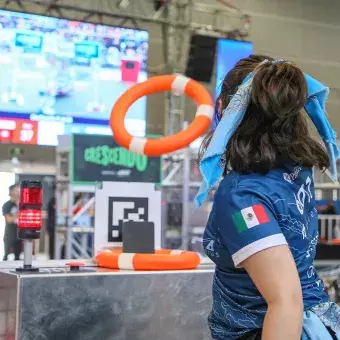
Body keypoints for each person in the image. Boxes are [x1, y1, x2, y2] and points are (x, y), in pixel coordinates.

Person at [196, 55, 340, 339]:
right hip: (317, 321)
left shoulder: (242, 195)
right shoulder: (295, 174)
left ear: (224, 110)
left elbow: (285, 301)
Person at [2, 184, 21, 261]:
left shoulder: (20, 205)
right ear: (11, 192)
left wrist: (19, 205)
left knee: (17, 257)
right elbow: (9, 220)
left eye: (18, 191)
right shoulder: (6, 205)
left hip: (19, 234)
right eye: (16, 190)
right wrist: (17, 215)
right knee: (6, 256)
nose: (17, 192)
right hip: (9, 235)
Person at [47, 183, 56, 259]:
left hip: (54, 226)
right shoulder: (52, 201)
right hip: (52, 226)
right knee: (52, 244)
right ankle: (52, 258)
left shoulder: (55, 200)